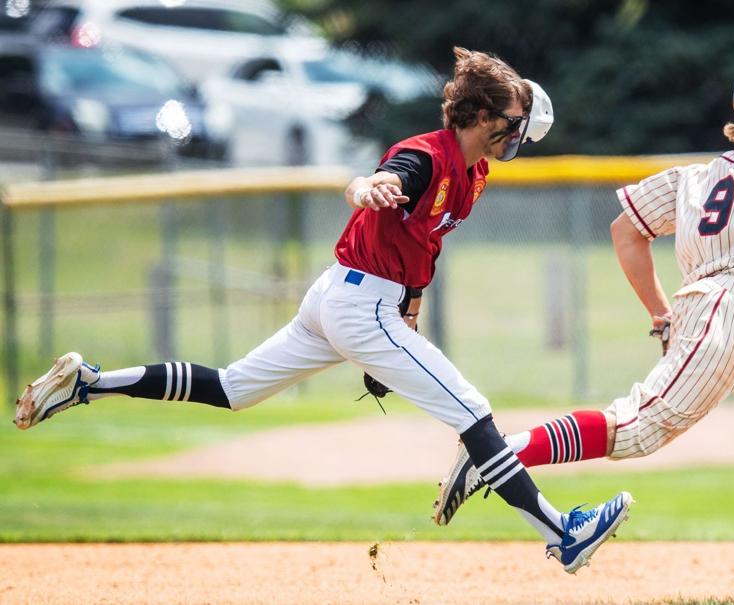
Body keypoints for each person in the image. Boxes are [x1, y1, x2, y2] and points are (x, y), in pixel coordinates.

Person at [13, 47, 632, 574]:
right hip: (358, 305)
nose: (519, 133)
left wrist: (410, 313)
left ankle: (90, 382)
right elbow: (378, 180)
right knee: (472, 410)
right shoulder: (427, 156)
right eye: (513, 120)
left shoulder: (472, 175)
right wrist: (369, 188)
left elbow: (423, 245)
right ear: (481, 115)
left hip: (350, 299)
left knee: (233, 388)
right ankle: (561, 533)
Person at [431, 62, 734, 587]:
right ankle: (495, 455)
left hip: (729, 319)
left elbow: (626, 230)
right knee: (638, 429)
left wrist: (662, 314)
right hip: (730, 313)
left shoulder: (697, 176)